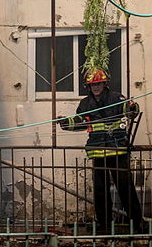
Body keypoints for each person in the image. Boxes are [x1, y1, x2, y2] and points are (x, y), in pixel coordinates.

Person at [60, 68, 144, 233]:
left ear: (104, 84)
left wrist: (133, 107)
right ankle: (104, 225)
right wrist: (65, 122)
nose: (96, 87)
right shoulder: (85, 104)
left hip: (118, 152)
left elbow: (130, 111)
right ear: (88, 87)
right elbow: (80, 122)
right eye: (92, 85)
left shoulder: (116, 98)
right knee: (100, 190)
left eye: (98, 84)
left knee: (125, 188)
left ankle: (136, 222)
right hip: (98, 153)